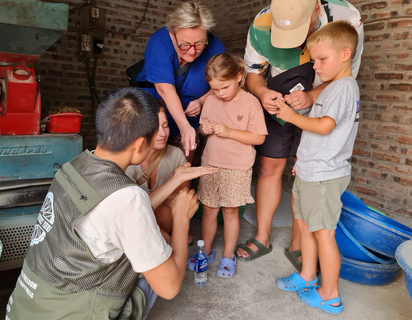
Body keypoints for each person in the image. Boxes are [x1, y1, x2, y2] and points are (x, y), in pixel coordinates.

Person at [5, 87, 218, 320]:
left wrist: (175, 181)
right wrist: (180, 219)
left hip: (28, 303)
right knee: (158, 259)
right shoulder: (127, 198)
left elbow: (122, 208)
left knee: (154, 241)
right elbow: (169, 288)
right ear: (138, 145)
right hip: (75, 311)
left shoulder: (75, 165)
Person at [236, 0, 364, 270]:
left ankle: (298, 243)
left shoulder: (347, 18)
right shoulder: (261, 24)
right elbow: (253, 74)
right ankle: (262, 237)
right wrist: (262, 93)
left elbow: (343, 76)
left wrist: (310, 97)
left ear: (316, 9)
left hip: (321, 102)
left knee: (305, 172)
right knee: (270, 165)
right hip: (280, 99)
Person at [275, 21, 360, 314]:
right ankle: (308, 275)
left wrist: (289, 114)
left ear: (346, 54)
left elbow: (324, 127)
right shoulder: (330, 87)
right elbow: (317, 135)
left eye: (322, 59)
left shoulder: (344, 89)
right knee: (304, 226)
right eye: (314, 61)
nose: (317, 66)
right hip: (312, 170)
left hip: (325, 176)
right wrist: (303, 159)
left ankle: (330, 295)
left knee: (323, 232)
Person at [186, 53, 267, 278]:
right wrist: (206, 129)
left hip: (237, 167)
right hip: (211, 163)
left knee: (231, 212)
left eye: (224, 87)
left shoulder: (251, 102)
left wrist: (230, 132)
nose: (219, 93)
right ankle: (207, 251)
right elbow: (202, 127)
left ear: (239, 77)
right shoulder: (211, 100)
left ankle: (228, 256)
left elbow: (259, 137)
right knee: (209, 210)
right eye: (214, 88)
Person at [135, 0, 225, 163]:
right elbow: (165, 90)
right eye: (184, 45)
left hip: (190, 117)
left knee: (182, 162)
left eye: (199, 44)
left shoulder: (215, 48)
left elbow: (222, 84)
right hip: (155, 115)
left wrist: (202, 101)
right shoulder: (159, 43)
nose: (192, 52)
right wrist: (184, 126)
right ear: (172, 33)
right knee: (147, 161)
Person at [126, 106, 190, 243]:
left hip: (160, 216)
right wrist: (169, 191)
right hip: (131, 220)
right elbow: (129, 209)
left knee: (167, 213)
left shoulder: (175, 155)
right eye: (155, 128)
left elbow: (182, 198)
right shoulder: (126, 159)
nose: (162, 133)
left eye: (165, 126)